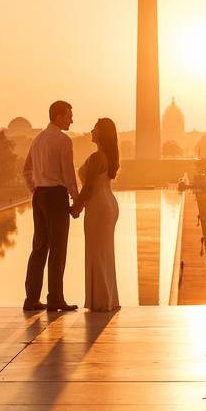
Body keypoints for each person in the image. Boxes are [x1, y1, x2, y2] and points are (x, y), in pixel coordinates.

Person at [21, 100, 80, 311]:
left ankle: (31, 298)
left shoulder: (37, 140)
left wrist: (36, 189)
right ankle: (55, 298)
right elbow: (68, 174)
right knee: (58, 249)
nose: (72, 120)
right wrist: (77, 200)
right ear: (58, 117)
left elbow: (26, 170)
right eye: (68, 115)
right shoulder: (63, 141)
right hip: (56, 195)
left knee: (39, 247)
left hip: (40, 196)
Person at [72, 118, 121, 312]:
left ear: (102, 133)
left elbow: (89, 186)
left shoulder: (97, 157)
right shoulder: (108, 157)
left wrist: (76, 206)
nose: (91, 131)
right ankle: (106, 299)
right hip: (108, 204)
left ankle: (100, 301)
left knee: (96, 253)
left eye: (95, 129)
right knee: (104, 253)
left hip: (99, 207)